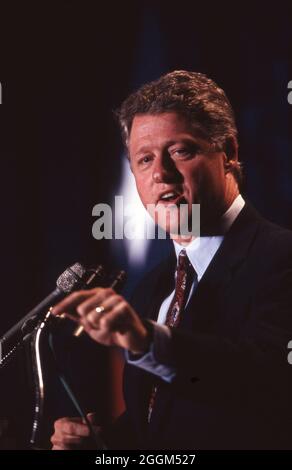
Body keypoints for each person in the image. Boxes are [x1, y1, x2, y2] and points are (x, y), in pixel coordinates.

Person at [50, 70, 292, 450]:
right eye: (144, 160)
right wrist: (107, 442)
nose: (161, 173)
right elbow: (169, 422)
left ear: (228, 153)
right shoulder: (153, 285)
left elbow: (268, 380)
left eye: (180, 151)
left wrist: (148, 340)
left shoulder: (281, 258)